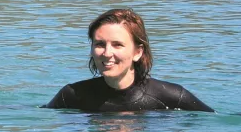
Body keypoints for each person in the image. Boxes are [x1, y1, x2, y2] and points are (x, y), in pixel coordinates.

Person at [44, 8, 214, 112]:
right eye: (100, 44)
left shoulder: (172, 96)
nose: (107, 53)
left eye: (117, 45)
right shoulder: (72, 95)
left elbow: (213, 123)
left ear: (137, 52)